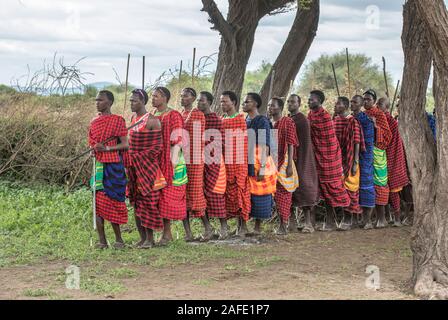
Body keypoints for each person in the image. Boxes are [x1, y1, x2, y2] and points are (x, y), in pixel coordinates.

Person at [88, 90, 129, 249]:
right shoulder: (94, 122)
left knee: (114, 201)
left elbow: (125, 144)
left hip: (113, 167)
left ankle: (119, 240)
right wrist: (94, 149)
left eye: (101, 100)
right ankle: (102, 241)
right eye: (96, 100)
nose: (97, 103)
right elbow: (92, 143)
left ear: (110, 102)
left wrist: (106, 148)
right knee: (97, 203)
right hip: (98, 166)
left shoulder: (118, 120)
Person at [307, 90, 350, 231]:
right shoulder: (310, 115)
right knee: (325, 191)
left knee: (335, 188)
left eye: (312, 100)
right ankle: (330, 221)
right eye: (309, 99)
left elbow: (328, 139)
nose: (309, 101)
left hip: (330, 157)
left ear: (319, 101)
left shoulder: (325, 116)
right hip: (318, 158)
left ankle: (347, 218)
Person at [127, 89, 164, 249]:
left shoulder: (152, 120)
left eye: (134, 101)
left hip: (147, 169)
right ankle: (142, 238)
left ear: (142, 101)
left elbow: (157, 147)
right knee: (137, 202)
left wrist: (138, 156)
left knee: (148, 202)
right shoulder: (133, 118)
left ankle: (150, 239)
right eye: (130, 100)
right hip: (133, 169)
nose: (131, 103)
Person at [152, 87, 187, 246]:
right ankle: (160, 232)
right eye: (152, 96)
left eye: (156, 96)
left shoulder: (174, 115)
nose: (153, 99)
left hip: (172, 160)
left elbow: (178, 140)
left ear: (165, 98)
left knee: (167, 196)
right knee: (157, 196)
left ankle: (167, 234)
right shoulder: (151, 115)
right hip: (156, 161)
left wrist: (172, 163)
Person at [180, 87, 210, 241]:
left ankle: (208, 229)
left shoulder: (197, 114)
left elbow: (198, 139)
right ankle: (188, 233)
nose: (182, 98)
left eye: (185, 96)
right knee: (182, 194)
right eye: (181, 96)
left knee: (195, 194)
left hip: (195, 160)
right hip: (181, 160)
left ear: (192, 98)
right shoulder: (180, 114)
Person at [243, 92, 276, 234]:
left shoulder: (262, 120)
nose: (244, 104)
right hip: (246, 161)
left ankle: (257, 227)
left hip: (259, 161)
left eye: (247, 102)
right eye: (244, 102)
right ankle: (244, 225)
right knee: (247, 194)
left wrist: (262, 168)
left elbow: (265, 145)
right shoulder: (245, 120)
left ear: (255, 104)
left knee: (260, 194)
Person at [197, 91, 229, 238]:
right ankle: (207, 228)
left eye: (202, 100)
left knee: (216, 194)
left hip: (213, 161)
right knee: (200, 195)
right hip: (198, 163)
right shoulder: (196, 118)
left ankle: (224, 227)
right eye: (198, 100)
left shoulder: (215, 119)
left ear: (209, 102)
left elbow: (222, 142)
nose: (199, 103)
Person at [288, 94, 319, 233]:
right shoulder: (288, 119)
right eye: (288, 102)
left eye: (293, 102)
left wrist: (302, 160)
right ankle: (291, 223)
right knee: (288, 189)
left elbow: (305, 143)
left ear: (299, 103)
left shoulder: (302, 120)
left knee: (305, 187)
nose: (290, 104)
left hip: (302, 158)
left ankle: (308, 223)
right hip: (290, 159)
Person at [221, 91, 251, 236]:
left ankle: (243, 226)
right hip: (225, 163)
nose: (223, 104)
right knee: (228, 195)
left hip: (238, 163)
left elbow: (242, 144)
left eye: (225, 101)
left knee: (240, 191)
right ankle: (234, 226)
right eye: (221, 102)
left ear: (234, 102)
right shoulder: (222, 119)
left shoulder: (239, 119)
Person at [333, 96, 365, 230]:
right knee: (341, 190)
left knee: (350, 189)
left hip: (350, 159)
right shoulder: (334, 120)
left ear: (345, 106)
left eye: (339, 104)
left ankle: (348, 219)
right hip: (338, 160)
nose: (336, 105)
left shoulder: (352, 121)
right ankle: (345, 218)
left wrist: (355, 162)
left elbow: (357, 142)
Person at [268, 97, 299, 235]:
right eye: (269, 106)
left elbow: (291, 143)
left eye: (273, 106)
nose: (270, 108)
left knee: (284, 193)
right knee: (275, 193)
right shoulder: (268, 123)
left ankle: (283, 224)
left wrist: (289, 165)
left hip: (285, 159)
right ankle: (283, 223)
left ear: (280, 107)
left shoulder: (287, 122)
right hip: (271, 160)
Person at [377, 97, 410, 227]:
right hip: (380, 157)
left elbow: (390, 141)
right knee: (382, 188)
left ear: (386, 107)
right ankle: (386, 217)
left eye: (380, 104)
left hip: (392, 157)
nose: (377, 106)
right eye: (377, 103)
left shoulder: (390, 121)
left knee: (394, 190)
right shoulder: (379, 119)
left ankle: (397, 218)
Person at [363, 89, 392, 229]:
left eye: (368, 99)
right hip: (365, 154)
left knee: (380, 183)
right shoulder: (362, 115)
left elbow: (388, 135)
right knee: (369, 185)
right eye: (364, 99)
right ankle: (371, 219)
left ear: (374, 101)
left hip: (378, 152)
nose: (366, 102)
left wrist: (375, 127)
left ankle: (382, 219)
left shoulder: (379, 114)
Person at [351, 95, 376, 229]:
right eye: (351, 102)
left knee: (367, 187)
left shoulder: (366, 121)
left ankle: (368, 221)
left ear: (360, 105)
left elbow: (368, 141)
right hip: (352, 157)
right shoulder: (350, 119)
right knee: (354, 188)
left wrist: (361, 158)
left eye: (355, 102)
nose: (352, 104)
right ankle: (357, 219)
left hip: (365, 157)